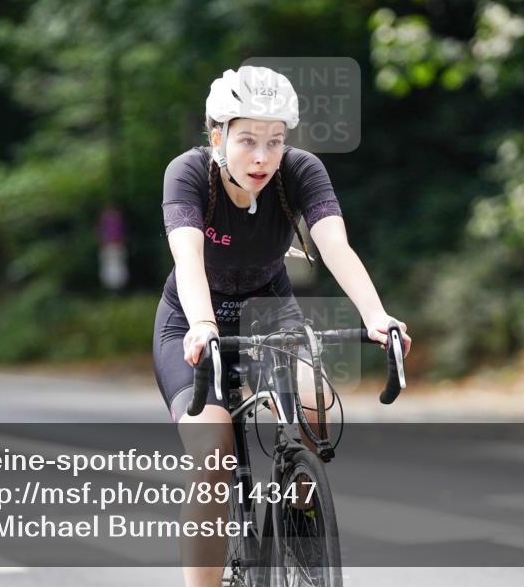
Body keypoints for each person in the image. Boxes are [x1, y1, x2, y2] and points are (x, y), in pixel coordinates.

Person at [154, 66, 412, 586]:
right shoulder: (187, 174)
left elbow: (335, 245)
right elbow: (187, 260)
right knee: (213, 459)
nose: (262, 157)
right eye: (247, 139)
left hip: (270, 310)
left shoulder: (301, 171)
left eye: (275, 141)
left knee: (313, 409)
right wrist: (203, 324)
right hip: (192, 316)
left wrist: (375, 315)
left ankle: (297, 525)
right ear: (216, 136)